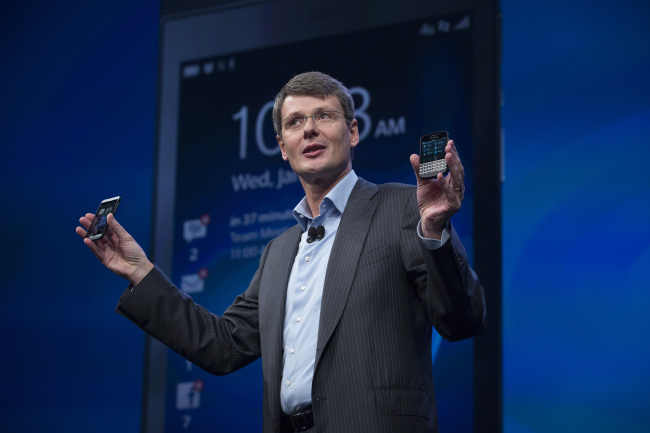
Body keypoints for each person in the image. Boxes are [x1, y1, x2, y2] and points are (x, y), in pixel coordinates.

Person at [77, 72, 486, 433]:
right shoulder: (278, 252)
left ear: (354, 131)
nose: (309, 130)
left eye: (323, 116)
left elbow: (462, 320)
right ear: (282, 147)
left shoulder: (400, 206)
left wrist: (433, 229)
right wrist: (140, 271)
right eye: (295, 122)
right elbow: (222, 345)